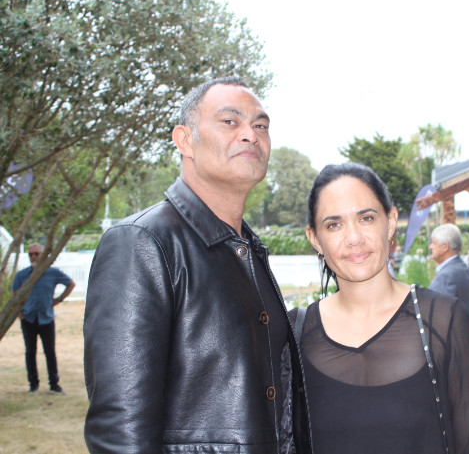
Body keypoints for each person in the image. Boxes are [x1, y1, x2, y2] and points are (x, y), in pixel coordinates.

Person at [83, 77, 313, 454]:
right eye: (229, 121)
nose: (250, 135)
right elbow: (120, 428)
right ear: (185, 140)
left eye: (261, 125)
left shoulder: (249, 250)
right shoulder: (143, 242)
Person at [294, 162, 469, 454]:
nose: (354, 238)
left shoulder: (445, 322)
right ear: (315, 238)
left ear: (390, 222)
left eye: (366, 218)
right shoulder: (293, 334)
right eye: (334, 225)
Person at [11, 243, 75, 394]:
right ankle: (33, 385)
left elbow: (71, 284)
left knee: (50, 352)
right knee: (30, 352)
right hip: (28, 319)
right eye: (31, 254)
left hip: (46, 319)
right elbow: (14, 294)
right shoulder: (22, 275)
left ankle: (54, 385)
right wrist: (19, 312)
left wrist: (58, 300)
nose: (33, 257)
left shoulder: (52, 273)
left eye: (36, 253)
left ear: (43, 254)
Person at [428, 224, 469, 319]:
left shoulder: (446, 275)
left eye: (434, 243)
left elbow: (436, 315)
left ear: (445, 247)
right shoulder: (462, 269)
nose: (431, 246)